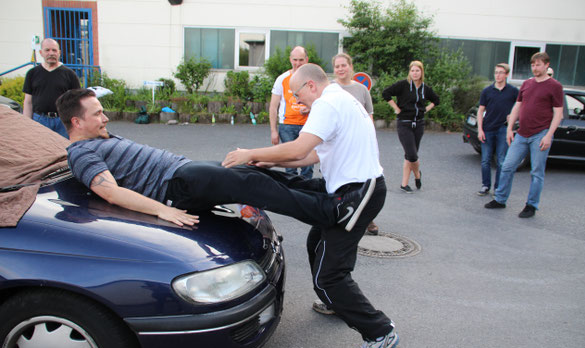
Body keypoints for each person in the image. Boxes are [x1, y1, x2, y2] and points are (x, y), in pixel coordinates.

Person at [223, 64, 398, 348]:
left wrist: (252, 153)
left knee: (329, 275)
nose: (297, 102)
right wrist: (266, 162)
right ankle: (336, 301)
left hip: (358, 194)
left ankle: (379, 331)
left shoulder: (328, 103)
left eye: (297, 94)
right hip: (346, 189)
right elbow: (311, 155)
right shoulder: (338, 99)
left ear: (312, 86)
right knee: (316, 243)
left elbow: (298, 148)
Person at [56, 88, 373, 231]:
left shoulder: (99, 139)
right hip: (176, 187)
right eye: (97, 114)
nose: (105, 117)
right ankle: (329, 212)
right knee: (247, 184)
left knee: (249, 169)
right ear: (76, 122)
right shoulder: (82, 153)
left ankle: (321, 190)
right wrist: (164, 211)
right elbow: (110, 191)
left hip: (183, 171)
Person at [485, 52, 563, 218]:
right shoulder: (527, 84)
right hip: (521, 134)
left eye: (538, 65)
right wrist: (509, 128)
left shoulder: (555, 86)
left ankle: (531, 205)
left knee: (536, 172)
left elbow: (558, 114)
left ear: (546, 65)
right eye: (533, 65)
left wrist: (549, 135)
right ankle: (500, 199)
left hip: (540, 134)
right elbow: (517, 107)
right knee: (506, 166)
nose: (535, 68)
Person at [332, 52, 379, 236]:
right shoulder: (330, 88)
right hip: (338, 144)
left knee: (362, 180)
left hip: (358, 144)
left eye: (344, 65)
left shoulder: (361, 89)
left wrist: (370, 141)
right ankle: (339, 214)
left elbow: (369, 118)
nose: (341, 69)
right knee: (340, 181)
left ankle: (367, 218)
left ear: (351, 67)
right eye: (337, 66)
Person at [382, 61, 440, 193]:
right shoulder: (403, 85)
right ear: (409, 72)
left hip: (419, 124)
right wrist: (396, 108)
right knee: (412, 155)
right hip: (405, 123)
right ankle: (418, 175)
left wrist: (426, 109)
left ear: (421, 72)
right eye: (412, 70)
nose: (415, 73)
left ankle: (404, 184)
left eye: (417, 71)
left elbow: (436, 100)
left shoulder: (425, 88)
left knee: (409, 156)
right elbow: (386, 93)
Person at [269, 46, 314, 178]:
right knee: (289, 163)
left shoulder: (313, 79)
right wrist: (273, 130)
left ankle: (306, 192)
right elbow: (273, 106)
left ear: (306, 60)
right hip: (287, 126)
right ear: (290, 60)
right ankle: (292, 193)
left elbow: (321, 101)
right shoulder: (282, 79)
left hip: (309, 125)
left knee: (308, 164)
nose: (298, 63)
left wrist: (310, 108)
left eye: (301, 60)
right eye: (295, 60)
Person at [23, 38, 80, 139]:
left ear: (59, 53)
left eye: (54, 50)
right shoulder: (32, 74)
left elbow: (76, 102)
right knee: (41, 151)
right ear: (41, 52)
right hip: (40, 120)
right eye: (47, 50)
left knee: (64, 151)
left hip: (62, 121)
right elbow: (28, 102)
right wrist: (27, 124)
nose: (51, 53)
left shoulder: (70, 74)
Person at [476, 63, 519, 196]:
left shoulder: (513, 91)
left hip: (503, 129)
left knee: (501, 160)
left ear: (506, 74)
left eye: (501, 72)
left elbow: (519, 107)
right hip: (488, 128)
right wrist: (480, 129)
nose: (498, 75)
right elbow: (480, 110)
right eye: (496, 72)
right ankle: (485, 185)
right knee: (485, 159)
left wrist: (512, 119)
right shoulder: (487, 91)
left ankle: (498, 188)